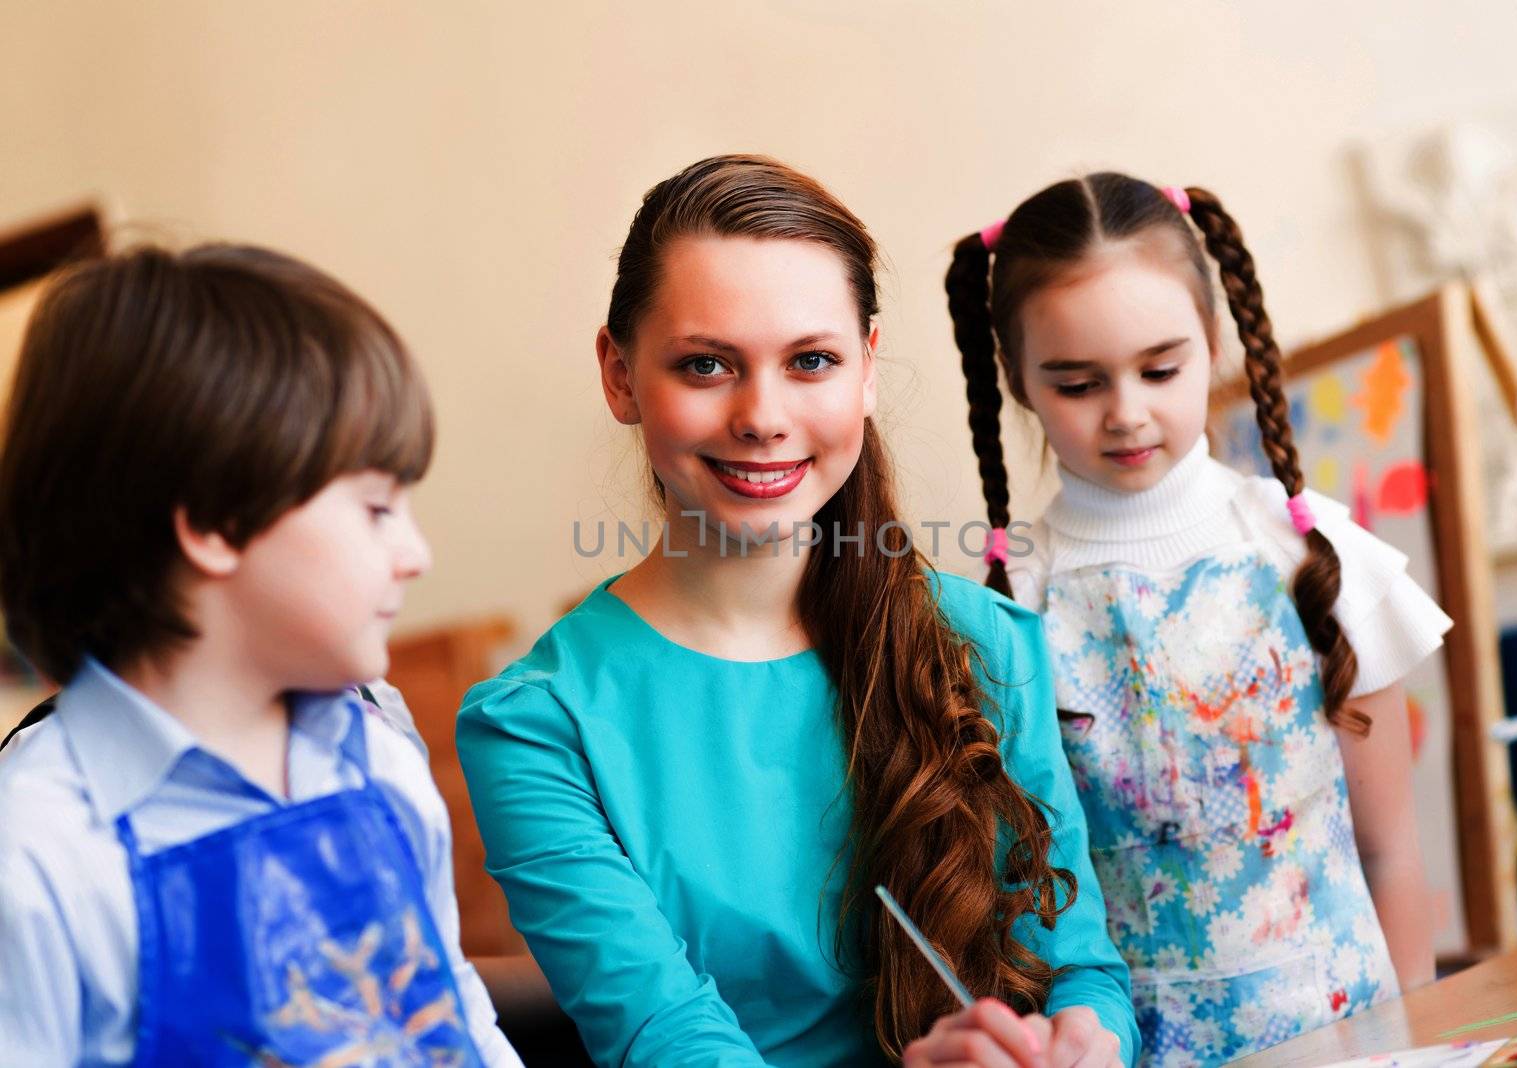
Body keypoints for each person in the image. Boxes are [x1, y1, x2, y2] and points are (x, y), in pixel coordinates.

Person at [457, 154, 1137, 1068]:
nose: (763, 416)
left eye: (810, 361)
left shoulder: (989, 644)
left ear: (865, 368)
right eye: (706, 365)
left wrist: (1080, 1045)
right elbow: (664, 1039)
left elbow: (1082, 972)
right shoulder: (535, 725)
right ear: (620, 376)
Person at [944, 173, 1452, 1065]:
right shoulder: (1009, 602)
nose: (1127, 412)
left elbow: (1393, 852)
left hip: (1355, 1037)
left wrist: (1415, 1043)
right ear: (1019, 382)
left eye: (1160, 368)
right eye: (1077, 383)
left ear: (1214, 343)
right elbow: (1030, 908)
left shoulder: (1310, 554)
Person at [0, 244, 520, 1067]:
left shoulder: (380, 761)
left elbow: (454, 1010)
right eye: (378, 507)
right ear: (212, 521)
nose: (415, 552)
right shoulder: (37, 847)